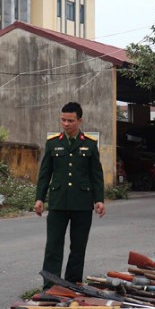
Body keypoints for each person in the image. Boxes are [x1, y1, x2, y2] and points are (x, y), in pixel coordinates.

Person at [34, 102, 105, 289]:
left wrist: (99, 200)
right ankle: (50, 284)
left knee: (78, 246)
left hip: (82, 203)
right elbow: (44, 174)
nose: (66, 124)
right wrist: (39, 198)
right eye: (63, 120)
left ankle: (72, 283)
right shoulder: (53, 143)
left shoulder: (89, 144)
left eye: (70, 120)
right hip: (58, 202)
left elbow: (96, 175)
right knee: (53, 246)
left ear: (80, 121)